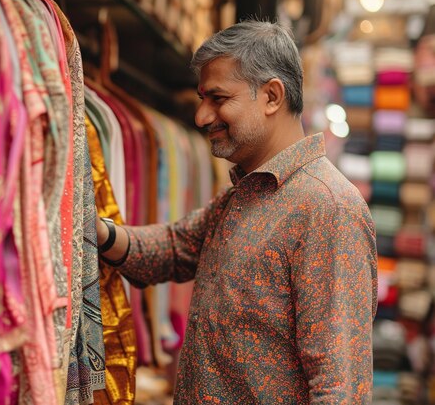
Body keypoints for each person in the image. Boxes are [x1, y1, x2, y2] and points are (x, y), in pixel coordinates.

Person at [96, 20, 378, 404]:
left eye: (218, 98)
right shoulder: (245, 195)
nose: (201, 117)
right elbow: (175, 248)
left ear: (272, 96)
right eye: (202, 99)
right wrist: (101, 233)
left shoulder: (327, 209)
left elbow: (340, 388)